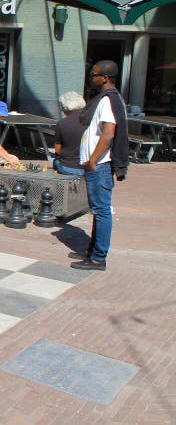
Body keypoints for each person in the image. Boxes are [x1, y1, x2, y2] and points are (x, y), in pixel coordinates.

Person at [70, 60, 128, 271]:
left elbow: (109, 133)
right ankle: (93, 250)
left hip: (100, 165)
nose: (90, 78)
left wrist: (93, 159)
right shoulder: (104, 99)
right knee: (98, 209)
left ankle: (98, 258)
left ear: (105, 78)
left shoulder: (108, 100)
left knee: (102, 210)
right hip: (96, 164)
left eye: (94, 75)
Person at [53, 91, 86, 176]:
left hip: (67, 166)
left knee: (56, 160)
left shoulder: (61, 123)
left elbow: (57, 150)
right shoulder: (91, 120)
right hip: (87, 166)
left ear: (66, 108)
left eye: (62, 107)